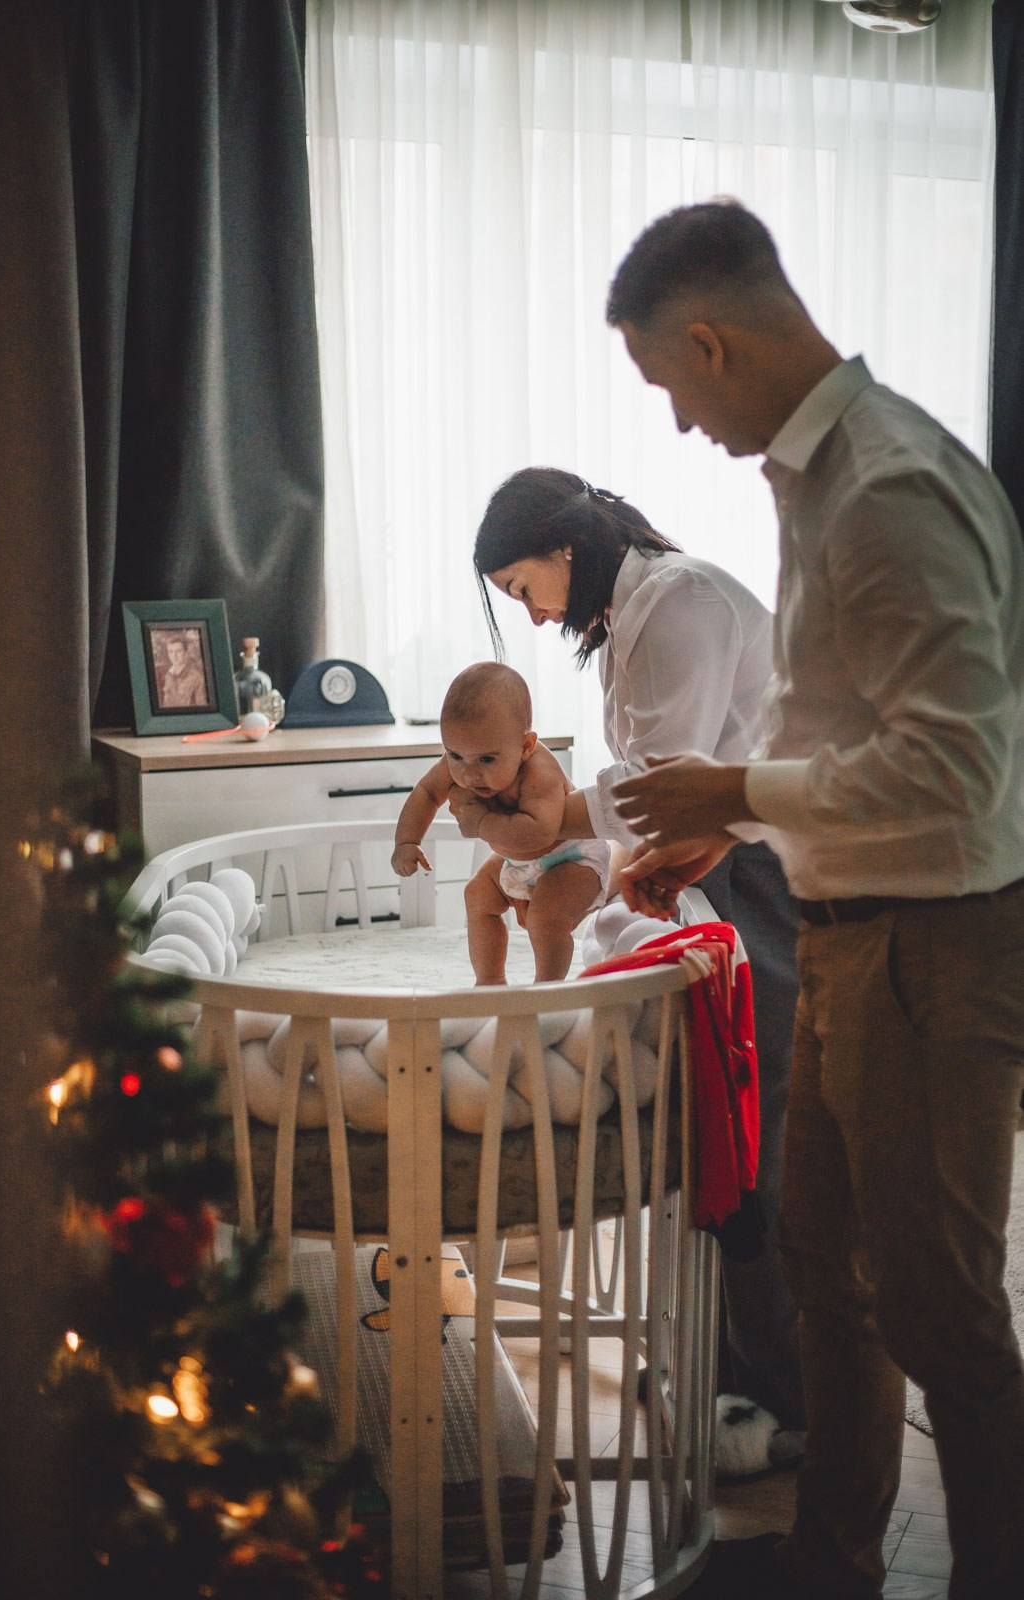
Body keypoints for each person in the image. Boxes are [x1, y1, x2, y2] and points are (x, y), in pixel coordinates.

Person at [606, 199, 1024, 1600]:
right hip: (854, 937)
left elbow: (952, 768)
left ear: (712, 343)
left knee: (940, 1313)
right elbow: (841, 724)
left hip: (929, 948)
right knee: (822, 1269)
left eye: (667, 384)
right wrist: (721, 826)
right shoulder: (822, 479)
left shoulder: (886, 487)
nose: (674, 424)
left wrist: (730, 795)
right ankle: (830, 1560)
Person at [469, 465, 807, 1456]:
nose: (530, 618)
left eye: (522, 589)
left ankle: (783, 1398)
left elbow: (659, 790)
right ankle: (724, 1367)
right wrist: (543, 864)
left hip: (756, 877)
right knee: (720, 1145)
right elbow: (644, 803)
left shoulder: (677, 603)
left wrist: (540, 830)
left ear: (563, 553)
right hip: (720, 865)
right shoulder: (638, 615)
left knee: (751, 1145)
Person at [391, 661, 610, 984]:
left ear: (525, 746)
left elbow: (539, 832)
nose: (468, 773)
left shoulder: (540, 773)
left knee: (545, 918)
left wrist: (481, 822)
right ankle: (489, 981)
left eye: (486, 760)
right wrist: (407, 841)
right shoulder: (466, 758)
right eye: (454, 756)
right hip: (516, 859)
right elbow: (426, 792)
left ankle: (547, 992)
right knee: (477, 894)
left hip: (572, 858)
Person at [157, 633, 209, 708]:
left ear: (186, 653)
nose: (174, 656)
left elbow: (202, 709)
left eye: (178, 651)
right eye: (170, 651)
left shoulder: (197, 678)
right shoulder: (168, 676)